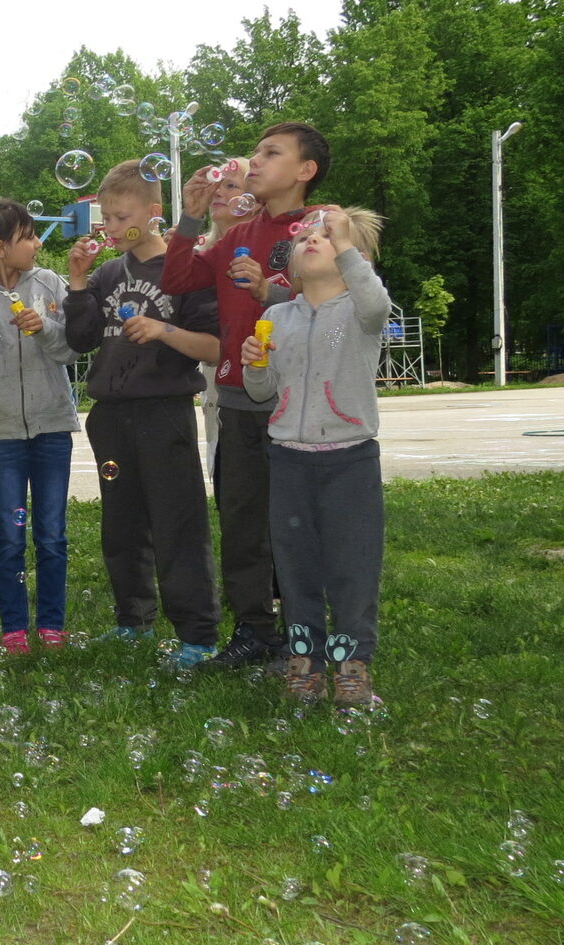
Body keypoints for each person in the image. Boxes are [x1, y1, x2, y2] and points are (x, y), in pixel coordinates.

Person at [164, 123, 331, 671]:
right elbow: (178, 278)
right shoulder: (237, 231)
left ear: (305, 172)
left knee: (298, 523)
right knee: (241, 519)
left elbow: (339, 295)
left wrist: (273, 290)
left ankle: (303, 634)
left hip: (298, 401)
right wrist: (190, 217)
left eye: (270, 153)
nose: (253, 162)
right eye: (254, 153)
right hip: (237, 398)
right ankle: (255, 631)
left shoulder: (321, 226)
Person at [63, 159, 223, 670]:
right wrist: (78, 285)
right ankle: (133, 620)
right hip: (112, 414)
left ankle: (197, 633)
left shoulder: (187, 270)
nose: (107, 226)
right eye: (104, 217)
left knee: (178, 524)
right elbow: (82, 339)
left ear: (154, 213)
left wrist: (161, 332)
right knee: (122, 526)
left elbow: (213, 346)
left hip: (164, 411)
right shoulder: (110, 272)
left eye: (118, 216)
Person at [240, 207, 391, 705]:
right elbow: (262, 392)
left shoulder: (361, 312)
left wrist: (345, 243)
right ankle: (304, 662)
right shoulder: (274, 316)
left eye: (326, 237)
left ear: (355, 258)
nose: (311, 240)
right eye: (305, 236)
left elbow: (374, 300)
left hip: (350, 461)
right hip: (289, 459)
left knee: (353, 568)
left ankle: (352, 667)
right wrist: (255, 367)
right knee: (296, 567)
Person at [0, 200, 79, 654]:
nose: (39, 243)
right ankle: (13, 628)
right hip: (3, 433)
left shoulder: (49, 283)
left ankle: (51, 624)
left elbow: (70, 351)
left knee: (51, 531)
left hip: (52, 426)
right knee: (8, 534)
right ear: (1, 248)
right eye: (29, 236)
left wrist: (43, 326)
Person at [194, 155, 253, 473]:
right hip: (218, 387)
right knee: (229, 480)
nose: (217, 192)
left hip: (261, 383)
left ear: (253, 200)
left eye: (230, 185)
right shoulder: (201, 255)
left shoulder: (273, 251)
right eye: (216, 186)